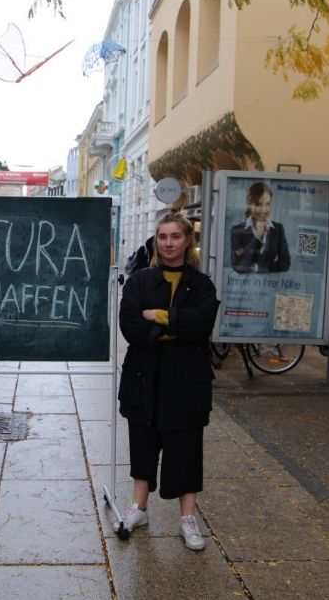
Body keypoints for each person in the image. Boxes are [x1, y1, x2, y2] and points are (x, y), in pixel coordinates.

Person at [116, 212, 219, 551]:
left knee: (185, 448)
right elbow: (129, 323)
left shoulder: (201, 284)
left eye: (175, 236)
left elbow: (201, 324)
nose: (169, 243)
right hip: (145, 376)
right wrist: (175, 328)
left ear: (187, 240)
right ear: (156, 241)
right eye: (163, 236)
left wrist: (159, 316)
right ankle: (138, 508)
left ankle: (188, 518)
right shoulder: (140, 280)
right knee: (143, 442)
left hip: (187, 380)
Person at [230, 181, 290, 273]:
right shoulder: (237, 230)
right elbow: (239, 266)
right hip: (243, 286)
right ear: (249, 204)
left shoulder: (278, 229)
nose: (264, 210)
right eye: (258, 204)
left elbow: (285, 264)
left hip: (269, 285)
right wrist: (256, 237)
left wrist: (257, 268)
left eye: (268, 204)